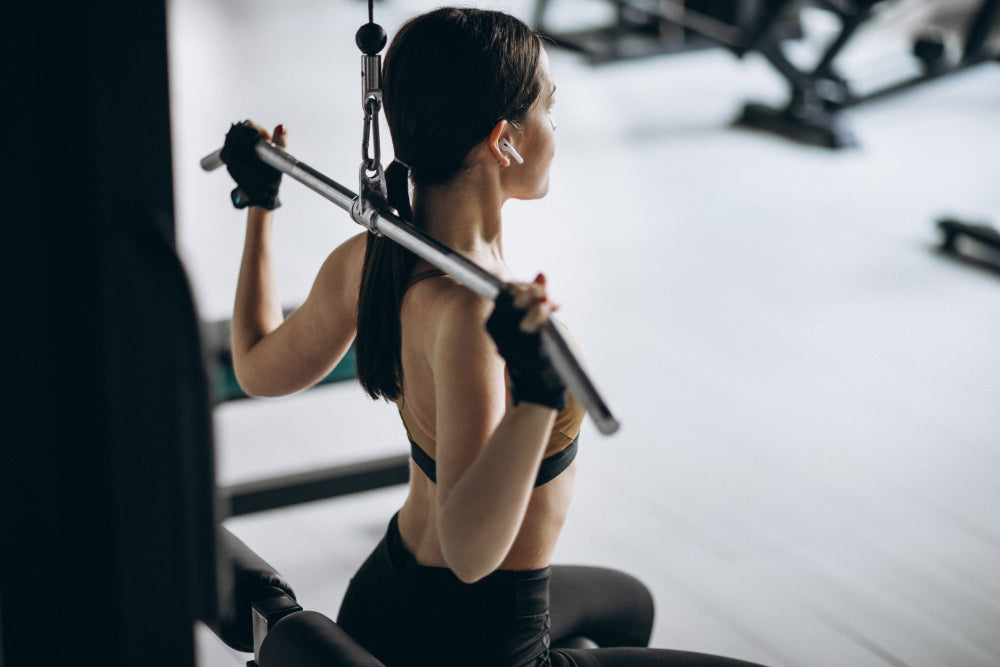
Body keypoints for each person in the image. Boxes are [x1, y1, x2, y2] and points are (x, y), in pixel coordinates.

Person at [222, 7, 767, 667]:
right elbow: (470, 552)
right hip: (484, 644)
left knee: (627, 601)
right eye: (549, 109)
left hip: (384, 595)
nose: (555, 129)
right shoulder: (476, 319)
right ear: (504, 140)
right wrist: (538, 393)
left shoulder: (371, 258)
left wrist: (260, 202)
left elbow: (254, 366)